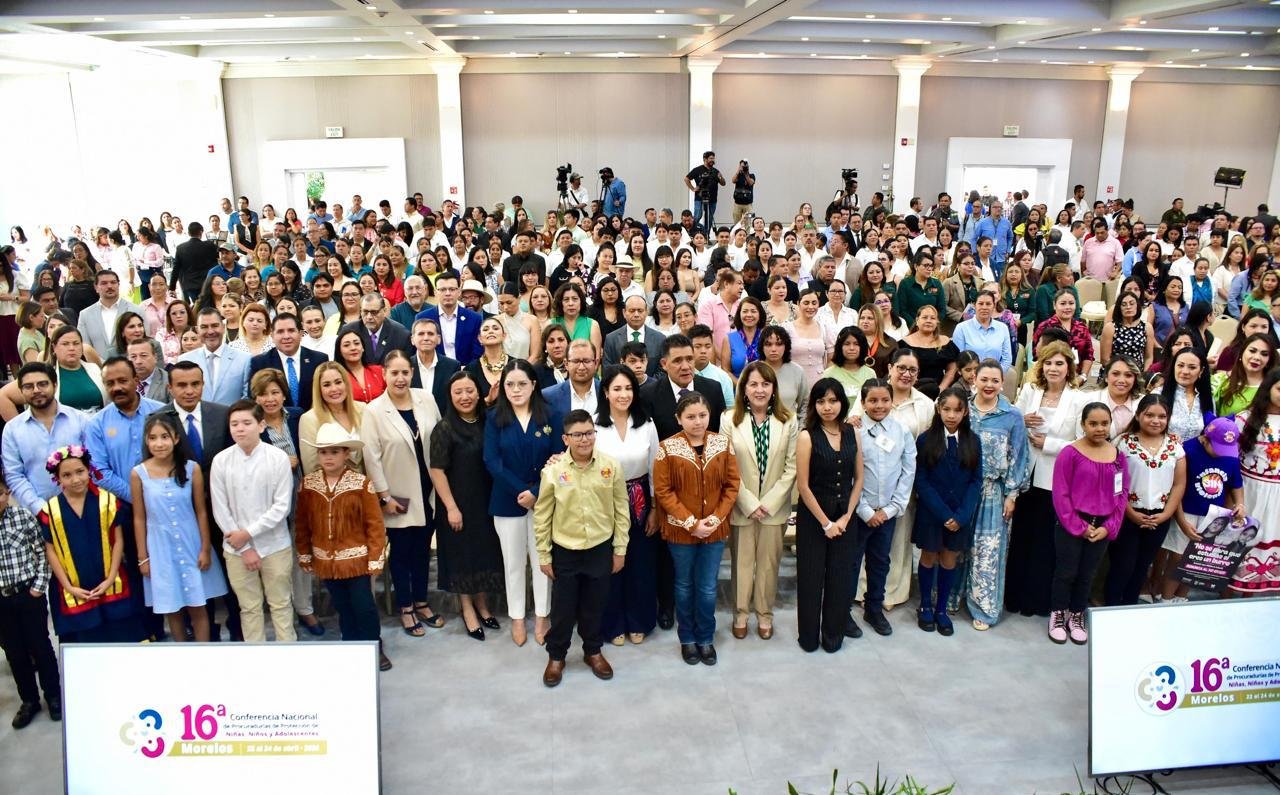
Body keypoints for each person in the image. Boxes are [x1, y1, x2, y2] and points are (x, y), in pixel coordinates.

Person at [534, 409, 630, 687]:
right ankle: (556, 656)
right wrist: (544, 554)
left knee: (594, 605)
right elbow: (542, 515)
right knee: (563, 609)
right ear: (566, 438)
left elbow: (621, 510)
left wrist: (620, 549)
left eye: (589, 433)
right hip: (565, 550)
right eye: (577, 435)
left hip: (600, 547)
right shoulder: (553, 472)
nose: (584, 439)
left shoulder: (611, 466)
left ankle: (593, 651)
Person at [361, 350, 443, 636]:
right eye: (394, 373)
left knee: (422, 550)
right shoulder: (373, 410)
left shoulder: (426, 399)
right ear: (384, 374)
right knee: (401, 554)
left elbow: (440, 439)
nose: (400, 378)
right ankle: (406, 607)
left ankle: (422, 601)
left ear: (412, 373)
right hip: (397, 496)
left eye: (405, 372)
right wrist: (384, 497)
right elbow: (371, 458)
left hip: (429, 491)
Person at [653, 391, 739, 665]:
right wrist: (691, 523)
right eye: (690, 416)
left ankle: (705, 638)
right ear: (679, 419)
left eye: (702, 415)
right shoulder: (667, 448)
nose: (698, 421)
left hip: (714, 530)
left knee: (708, 587)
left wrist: (714, 519)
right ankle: (687, 639)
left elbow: (732, 485)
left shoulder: (723, 444)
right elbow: (663, 491)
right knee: (684, 585)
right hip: (681, 532)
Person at [296, 421, 390, 671]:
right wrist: (304, 553)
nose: (328, 457)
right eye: (323, 452)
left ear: (346, 454)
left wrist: (375, 557)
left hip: (356, 561)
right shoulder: (308, 485)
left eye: (335, 451)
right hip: (326, 561)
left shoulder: (361, 484)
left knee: (364, 606)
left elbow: (374, 524)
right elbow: (303, 523)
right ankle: (351, 645)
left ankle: (374, 646)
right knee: (343, 607)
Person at [485, 360, 564, 646]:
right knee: (513, 562)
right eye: (510, 384)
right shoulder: (494, 418)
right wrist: (523, 492)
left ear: (533, 385)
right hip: (507, 502)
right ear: (502, 388)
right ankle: (517, 616)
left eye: (522, 384)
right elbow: (492, 461)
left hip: (544, 500)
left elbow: (559, 458)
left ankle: (543, 615)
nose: (516, 390)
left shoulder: (551, 415)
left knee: (544, 561)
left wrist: (537, 492)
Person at [130, 411, 225, 642]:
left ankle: (203, 651)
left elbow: (201, 511)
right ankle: (180, 652)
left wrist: (205, 548)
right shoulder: (139, 473)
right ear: (146, 441)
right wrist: (143, 557)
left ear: (176, 438)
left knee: (197, 604)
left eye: (165, 437)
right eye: (153, 438)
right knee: (172, 608)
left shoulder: (191, 469)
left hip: (190, 541)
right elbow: (139, 518)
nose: (159, 443)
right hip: (160, 547)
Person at [1006, 340, 1083, 619]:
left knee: (1045, 541)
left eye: (1059, 363)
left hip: (1055, 478)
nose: (1053, 368)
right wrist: (1021, 419)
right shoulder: (1030, 390)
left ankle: (1037, 600)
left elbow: (1081, 442)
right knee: (1021, 538)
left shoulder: (1078, 399)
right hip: (1026, 474)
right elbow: (1012, 420)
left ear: (1069, 367)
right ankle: (1013, 597)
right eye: (1048, 362)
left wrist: (1049, 444)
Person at [38, 445, 145, 643]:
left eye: (80, 471)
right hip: (74, 587)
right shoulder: (50, 510)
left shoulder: (108, 501)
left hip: (111, 581)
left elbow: (118, 541)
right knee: (85, 645)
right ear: (57, 478)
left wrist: (110, 578)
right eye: (67, 475)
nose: (75, 479)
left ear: (89, 469)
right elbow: (50, 550)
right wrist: (69, 587)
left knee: (121, 638)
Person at [210, 400, 296, 643]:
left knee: (281, 604)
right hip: (236, 549)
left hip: (275, 545)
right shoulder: (221, 460)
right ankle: (255, 656)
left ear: (261, 425)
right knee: (249, 608)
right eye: (234, 424)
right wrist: (244, 546)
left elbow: (282, 507)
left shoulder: (278, 458)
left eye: (246, 423)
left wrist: (247, 533)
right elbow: (220, 508)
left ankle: (288, 652)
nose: (240, 429)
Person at [724, 361, 797, 641]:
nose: (760, 390)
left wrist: (769, 502)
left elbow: (791, 467)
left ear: (774, 388)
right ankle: (740, 614)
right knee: (742, 564)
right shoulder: (729, 420)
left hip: (774, 509)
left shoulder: (788, 420)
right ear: (743, 389)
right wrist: (749, 503)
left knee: (768, 565)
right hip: (741, 506)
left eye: (766, 384)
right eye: (753, 384)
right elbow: (727, 466)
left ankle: (765, 615)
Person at [428, 371, 503, 640]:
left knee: (482, 554)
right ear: (449, 396)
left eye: (469, 390)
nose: (464, 397)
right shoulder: (444, 428)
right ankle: (467, 609)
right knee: (462, 557)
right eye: (458, 392)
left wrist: (491, 401)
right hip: (457, 503)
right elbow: (437, 470)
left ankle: (482, 604)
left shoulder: (487, 421)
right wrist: (451, 507)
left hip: (485, 501)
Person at [593, 366, 661, 646]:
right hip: (604, 500)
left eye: (629, 388)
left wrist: (655, 508)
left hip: (640, 498)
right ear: (606, 392)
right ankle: (612, 623)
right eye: (617, 389)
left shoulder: (646, 424)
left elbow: (655, 468)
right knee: (611, 563)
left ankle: (639, 620)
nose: (623, 394)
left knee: (640, 563)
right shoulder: (594, 425)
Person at [1049, 403, 1128, 645]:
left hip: (1102, 526)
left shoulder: (1118, 457)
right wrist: (1079, 527)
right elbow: (1061, 494)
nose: (1099, 428)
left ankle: (1077, 614)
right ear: (1083, 424)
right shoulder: (1069, 453)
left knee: (1087, 574)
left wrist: (1109, 527)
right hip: (1073, 523)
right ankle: (1058, 614)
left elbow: (1121, 493)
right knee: (1066, 572)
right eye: (1093, 423)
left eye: (1104, 423)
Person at [794, 378, 863, 653]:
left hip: (845, 516)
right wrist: (825, 523)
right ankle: (808, 637)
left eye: (833, 401)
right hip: (814, 517)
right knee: (811, 578)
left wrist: (846, 517)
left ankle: (833, 635)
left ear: (842, 403)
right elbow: (803, 485)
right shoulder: (807, 436)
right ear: (814, 404)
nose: (827, 407)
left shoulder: (852, 433)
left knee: (840, 578)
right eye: (821, 401)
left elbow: (859, 479)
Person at [961, 360, 1031, 629]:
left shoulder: (1012, 415)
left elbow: (1019, 456)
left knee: (987, 552)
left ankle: (983, 609)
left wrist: (1012, 494)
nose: (989, 385)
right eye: (984, 379)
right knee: (956, 546)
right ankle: (951, 597)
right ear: (974, 380)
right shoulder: (962, 408)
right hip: (961, 489)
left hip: (993, 491)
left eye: (995, 380)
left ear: (1002, 384)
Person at [849, 378, 916, 638]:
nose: (879, 406)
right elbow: (850, 475)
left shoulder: (901, 431)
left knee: (880, 562)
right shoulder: (854, 431)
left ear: (892, 401)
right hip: (859, 512)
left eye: (885, 400)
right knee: (852, 562)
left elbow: (908, 471)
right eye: (873, 401)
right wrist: (865, 510)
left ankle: (874, 608)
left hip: (887, 512)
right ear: (863, 403)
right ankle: (843, 611)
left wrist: (891, 509)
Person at [913, 386, 982, 636]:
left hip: (959, 514)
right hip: (933, 513)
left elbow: (976, 481)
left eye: (957, 410)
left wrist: (962, 515)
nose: (951, 415)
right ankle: (925, 606)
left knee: (949, 558)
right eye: (946, 409)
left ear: (965, 412)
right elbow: (921, 481)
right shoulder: (926, 440)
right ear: (939, 409)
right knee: (929, 556)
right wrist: (944, 514)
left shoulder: (973, 441)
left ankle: (941, 609)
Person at [1106, 396, 1186, 606]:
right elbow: (1114, 482)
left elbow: (1179, 484)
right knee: (1122, 565)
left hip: (1159, 517)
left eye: (1162, 416)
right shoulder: (1123, 443)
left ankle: (1130, 607)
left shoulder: (1175, 447)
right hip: (1127, 515)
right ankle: (1111, 608)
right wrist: (1130, 512)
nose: (1155, 420)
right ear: (1138, 415)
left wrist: (1166, 514)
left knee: (1142, 567)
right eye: (1149, 415)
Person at [0, 470, 61, 729]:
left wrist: (38, 587)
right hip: (2, 601)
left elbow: (42, 553)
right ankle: (29, 701)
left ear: (7, 493)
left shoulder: (23, 517)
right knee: (15, 653)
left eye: (0, 493)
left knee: (41, 646)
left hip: (28, 594)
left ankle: (54, 695)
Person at [2, 363, 91, 517]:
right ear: (21, 391)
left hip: (85, 508)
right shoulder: (12, 430)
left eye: (42, 384)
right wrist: (40, 508)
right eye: (29, 386)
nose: (36, 390)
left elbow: (95, 463)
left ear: (55, 385)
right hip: (38, 515)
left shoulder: (81, 420)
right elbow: (14, 475)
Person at [1233, 371, 1280, 594]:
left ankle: (1255, 598)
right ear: (1268, 388)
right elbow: (1231, 461)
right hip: (1249, 492)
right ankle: (1227, 599)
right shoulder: (1245, 419)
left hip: (1277, 497)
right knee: (1240, 542)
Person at [178, 308, 252, 405]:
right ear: (197, 330)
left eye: (215, 326)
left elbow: (247, 398)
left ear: (223, 327)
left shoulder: (244, 359)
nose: (210, 331)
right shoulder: (185, 360)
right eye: (204, 327)